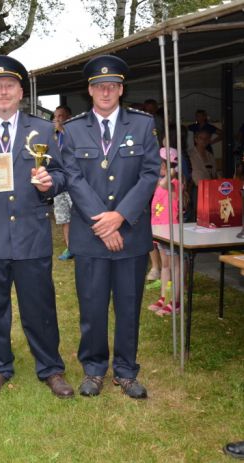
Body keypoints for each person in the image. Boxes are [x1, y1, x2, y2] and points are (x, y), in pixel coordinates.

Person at [0, 56, 73, 399]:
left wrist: (51, 182)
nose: (3, 92)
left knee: (40, 305)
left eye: (9, 85)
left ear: (21, 91)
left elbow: (63, 175)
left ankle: (50, 367)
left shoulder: (45, 129)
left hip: (31, 233)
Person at [60, 55, 160, 399]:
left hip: (130, 233)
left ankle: (126, 371)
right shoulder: (72, 129)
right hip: (90, 235)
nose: (106, 91)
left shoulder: (144, 125)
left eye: (113, 86)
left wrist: (120, 217)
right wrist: (102, 222)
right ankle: (93, 368)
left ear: (121, 89)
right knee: (91, 306)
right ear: (89, 90)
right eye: (100, 86)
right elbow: (72, 178)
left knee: (129, 305)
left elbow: (150, 175)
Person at [148, 147, 181, 317]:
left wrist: (172, 171)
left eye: (159, 163)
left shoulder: (174, 184)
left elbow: (164, 184)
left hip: (171, 232)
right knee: (165, 266)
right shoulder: (159, 180)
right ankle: (164, 297)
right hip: (159, 230)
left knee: (175, 266)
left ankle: (175, 301)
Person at [52, 105, 74, 261]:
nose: (57, 119)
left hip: (73, 182)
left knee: (78, 216)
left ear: (68, 117)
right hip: (59, 182)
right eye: (55, 116)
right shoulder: (53, 135)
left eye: (61, 116)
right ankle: (69, 247)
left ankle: (81, 247)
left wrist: (62, 129)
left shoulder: (73, 132)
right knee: (63, 217)